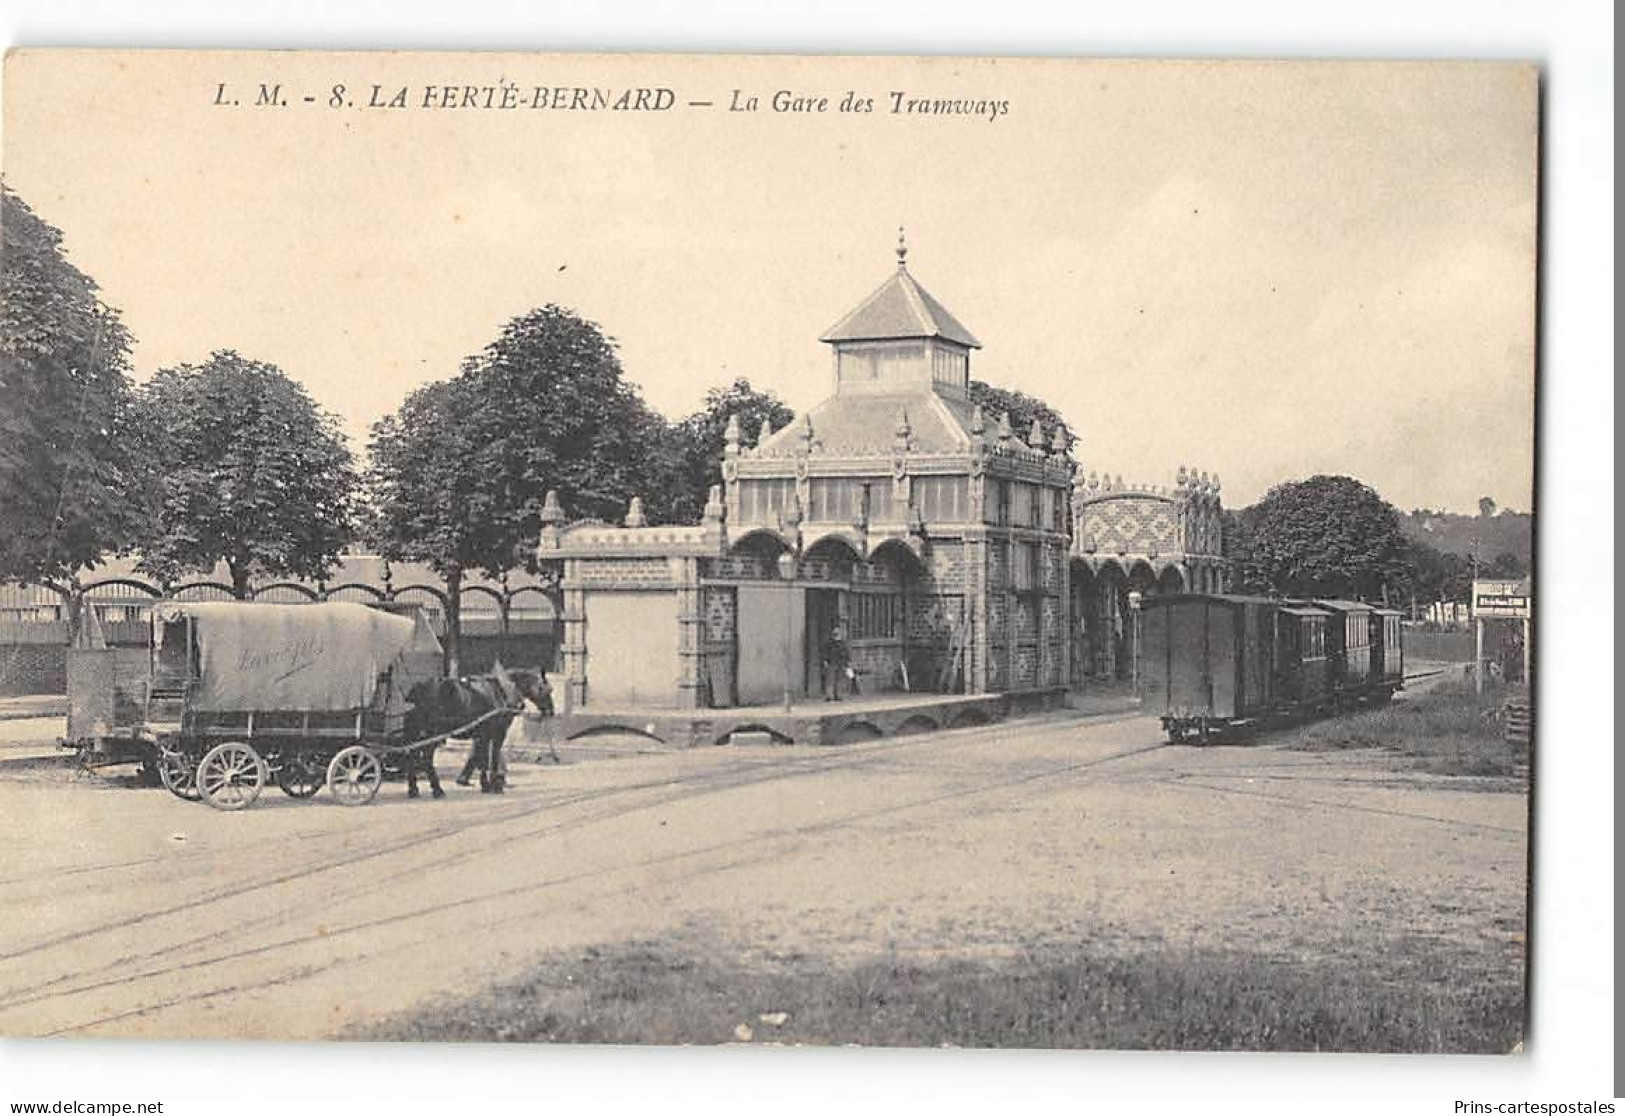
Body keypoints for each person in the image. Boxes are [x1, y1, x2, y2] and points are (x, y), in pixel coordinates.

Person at [821, 624, 851, 702]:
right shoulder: (829, 643)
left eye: (837, 632)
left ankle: (838, 695)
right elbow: (825, 652)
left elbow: (847, 652)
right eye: (835, 632)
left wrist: (848, 662)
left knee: (839, 680)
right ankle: (830, 696)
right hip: (832, 662)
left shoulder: (843, 643)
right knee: (830, 680)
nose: (836, 633)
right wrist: (825, 660)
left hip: (840, 663)